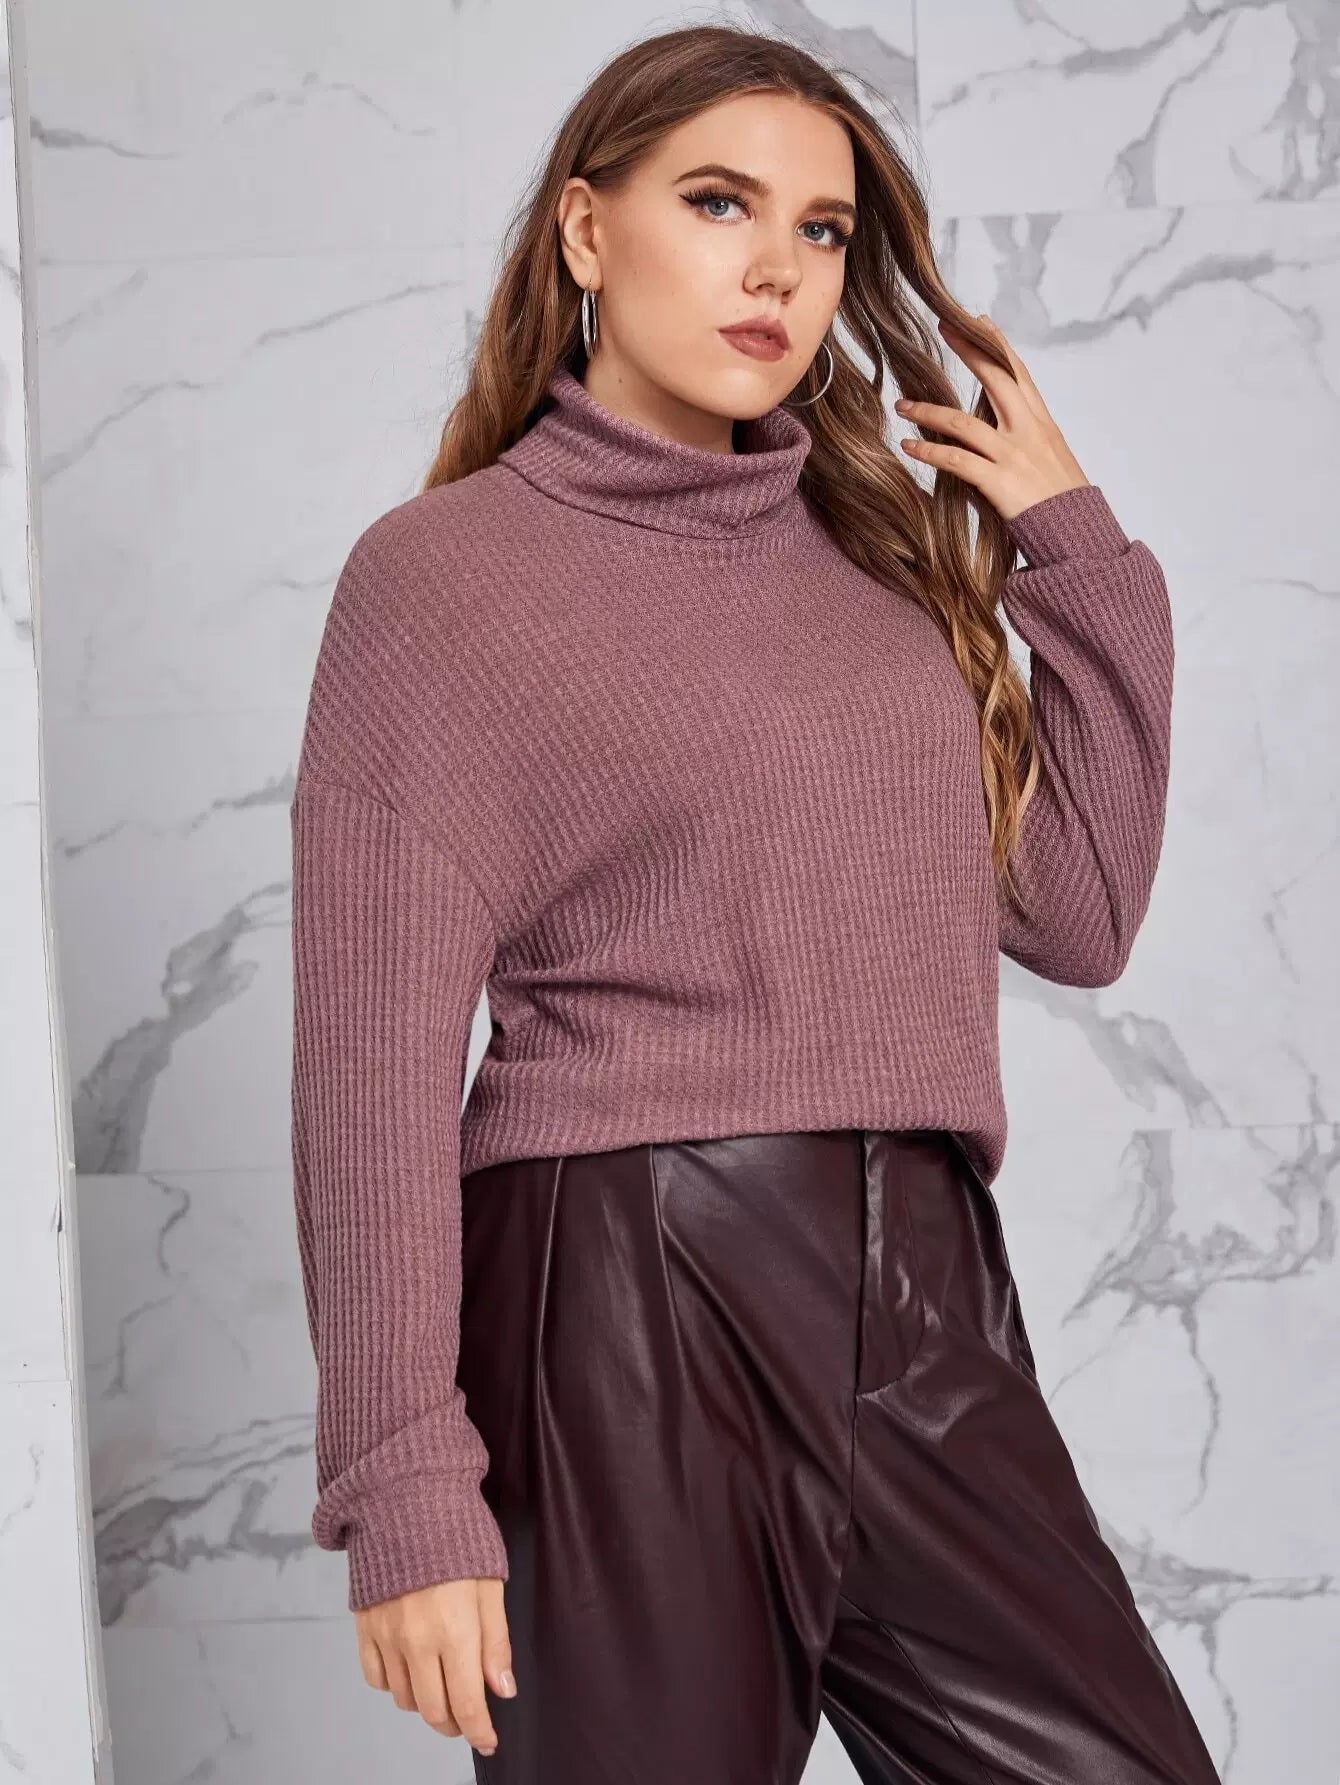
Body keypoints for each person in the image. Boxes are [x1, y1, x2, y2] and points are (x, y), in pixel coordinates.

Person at [288, 22, 1220, 1785]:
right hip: (625, 1300)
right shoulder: (443, 581)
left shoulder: (879, 570)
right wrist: (402, 1478)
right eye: (720, 204)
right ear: (587, 229)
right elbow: (369, 1069)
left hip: (929, 1287)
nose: (778, 269)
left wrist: (1073, 547)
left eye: (821, 229)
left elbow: (1083, 911)